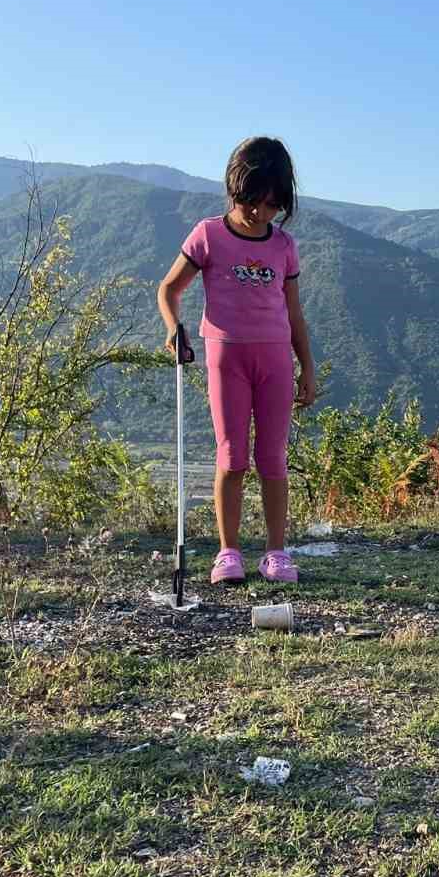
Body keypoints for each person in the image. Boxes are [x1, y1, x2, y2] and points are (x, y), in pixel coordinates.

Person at [157, 136, 317, 584]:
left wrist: (308, 366)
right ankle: (228, 553)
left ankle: (276, 553)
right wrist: (173, 327)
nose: (261, 213)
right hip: (226, 356)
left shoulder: (283, 246)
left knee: (272, 458)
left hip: (275, 360)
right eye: (253, 202)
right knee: (232, 457)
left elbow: (294, 311)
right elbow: (169, 289)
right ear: (235, 188)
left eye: (271, 205)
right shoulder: (208, 235)